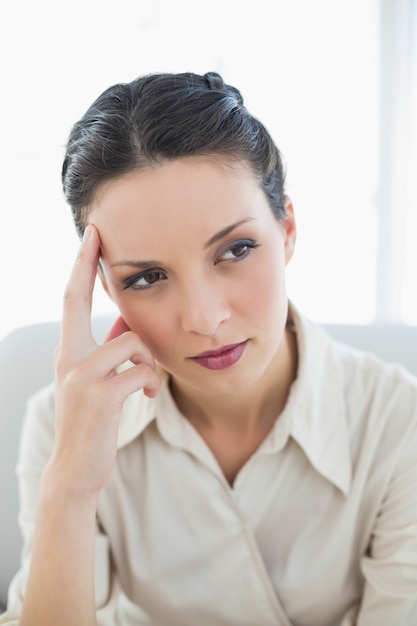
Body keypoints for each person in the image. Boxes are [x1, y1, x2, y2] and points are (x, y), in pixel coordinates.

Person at [1, 71, 417, 626]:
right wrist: (70, 489)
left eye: (236, 249)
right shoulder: (62, 426)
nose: (204, 319)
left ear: (287, 229)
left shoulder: (398, 424)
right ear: (107, 288)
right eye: (147, 277)